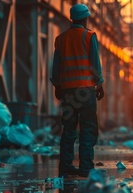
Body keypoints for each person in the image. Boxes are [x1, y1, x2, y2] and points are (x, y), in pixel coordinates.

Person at [50, 3, 104, 177]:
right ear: (85, 18)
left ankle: (65, 166)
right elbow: (95, 63)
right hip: (85, 91)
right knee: (88, 129)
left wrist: (57, 86)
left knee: (69, 129)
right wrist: (100, 83)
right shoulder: (89, 36)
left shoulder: (61, 38)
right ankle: (86, 167)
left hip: (67, 91)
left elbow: (56, 65)